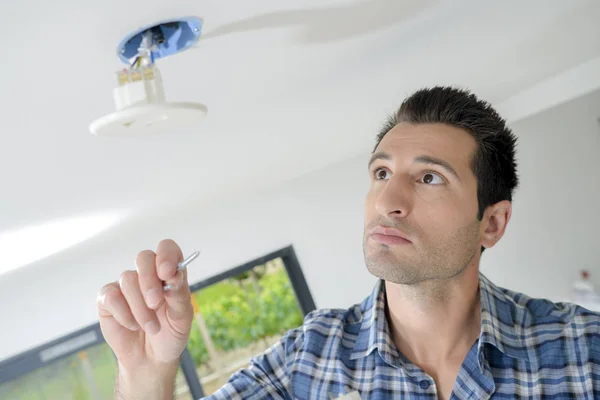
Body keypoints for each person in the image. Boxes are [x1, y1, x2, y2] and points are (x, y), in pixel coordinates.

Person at [97, 87, 600, 400]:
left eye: (429, 178)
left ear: (491, 223)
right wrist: (147, 373)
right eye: (381, 172)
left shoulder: (584, 349)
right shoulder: (306, 362)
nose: (389, 200)